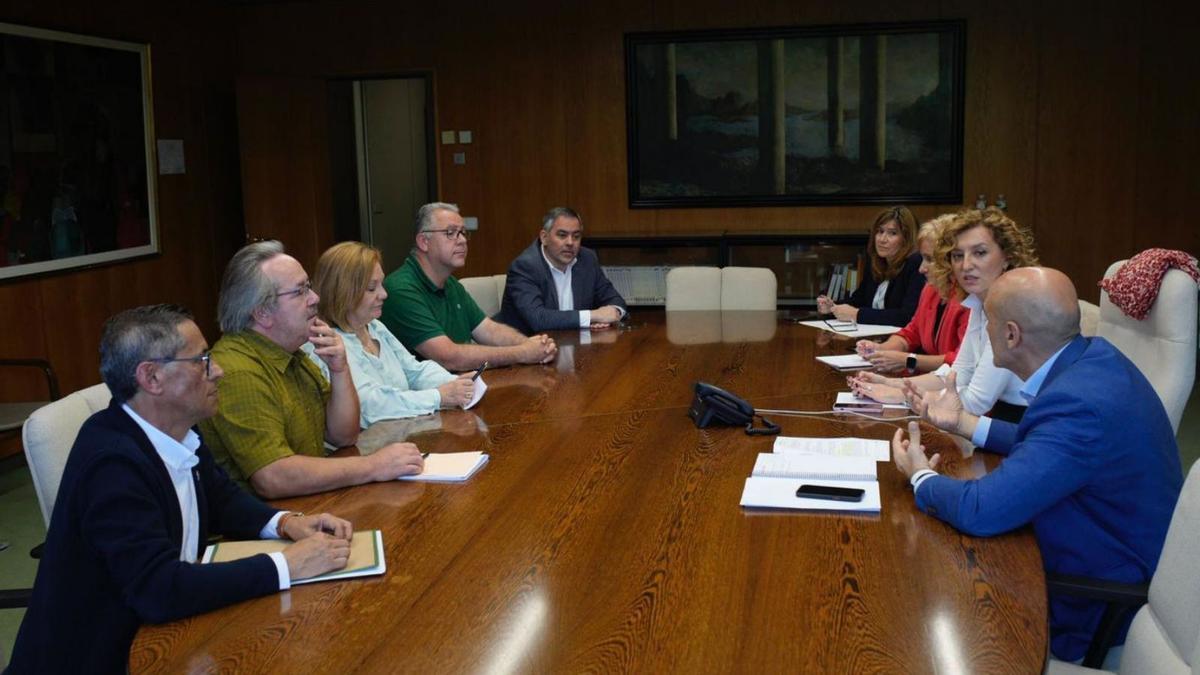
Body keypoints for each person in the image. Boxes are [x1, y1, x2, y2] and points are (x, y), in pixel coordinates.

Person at [7, 305, 355, 673]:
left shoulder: (176, 428)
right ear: (151, 378)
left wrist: (285, 523)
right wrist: (287, 565)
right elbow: (159, 589)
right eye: (202, 360)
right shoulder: (111, 465)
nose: (217, 370)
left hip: (174, 634)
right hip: (106, 657)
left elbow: (220, 498)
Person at [890, 268, 1183, 661]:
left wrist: (919, 475)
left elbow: (982, 510)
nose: (982, 332)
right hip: (1097, 546)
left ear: (1011, 335)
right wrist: (962, 423)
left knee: (923, 606)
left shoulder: (1077, 403)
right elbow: (1052, 446)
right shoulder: (1092, 361)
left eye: (988, 323)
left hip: (1094, 600)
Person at [199, 241, 425, 499]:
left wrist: (339, 369)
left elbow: (343, 435)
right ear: (262, 312)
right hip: (266, 525)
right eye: (300, 291)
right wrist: (374, 465)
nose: (315, 298)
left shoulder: (294, 354)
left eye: (308, 287)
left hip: (311, 505)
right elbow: (273, 477)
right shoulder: (237, 371)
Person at [849, 208, 1038, 422]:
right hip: (991, 419)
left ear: (1007, 257)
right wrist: (891, 383)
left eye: (980, 253)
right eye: (958, 256)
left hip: (1022, 425)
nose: (965, 265)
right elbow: (957, 375)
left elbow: (977, 401)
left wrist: (903, 394)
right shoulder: (979, 302)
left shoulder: (1012, 308)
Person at [309, 241, 476, 427]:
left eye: (381, 284)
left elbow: (414, 370)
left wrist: (456, 382)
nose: (384, 294)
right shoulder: (326, 344)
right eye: (372, 288)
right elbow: (371, 404)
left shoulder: (375, 327)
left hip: (403, 432)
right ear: (343, 292)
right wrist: (439, 397)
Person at [381, 202, 558, 371]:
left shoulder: (450, 284)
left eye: (463, 233)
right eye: (451, 233)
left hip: (461, 389)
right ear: (423, 241)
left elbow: (488, 330)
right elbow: (449, 357)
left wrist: (531, 345)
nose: (462, 241)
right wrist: (522, 353)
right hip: (427, 398)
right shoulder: (401, 289)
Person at [855, 214, 970, 373]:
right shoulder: (931, 289)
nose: (921, 268)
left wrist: (908, 360)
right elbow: (912, 332)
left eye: (930, 259)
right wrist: (882, 349)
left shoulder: (970, 298)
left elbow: (962, 362)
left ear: (953, 258)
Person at [495, 206, 627, 333]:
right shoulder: (525, 267)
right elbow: (538, 319)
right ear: (544, 237)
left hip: (573, 346)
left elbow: (614, 299)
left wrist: (613, 312)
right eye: (562, 235)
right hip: (525, 348)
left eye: (576, 236)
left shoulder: (587, 259)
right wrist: (592, 316)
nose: (570, 242)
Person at [817, 206, 924, 326]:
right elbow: (858, 300)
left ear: (906, 239)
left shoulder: (916, 264)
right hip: (871, 338)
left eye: (892, 233)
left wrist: (857, 314)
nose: (882, 239)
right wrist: (833, 307)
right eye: (880, 231)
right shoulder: (876, 263)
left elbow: (907, 316)